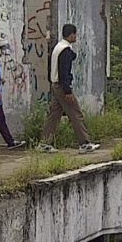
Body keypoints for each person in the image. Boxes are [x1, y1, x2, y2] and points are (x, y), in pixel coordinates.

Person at [36, 24, 99, 154]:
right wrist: (68, 90)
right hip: (62, 87)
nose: (76, 37)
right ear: (71, 35)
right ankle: (84, 143)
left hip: (55, 84)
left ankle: (44, 143)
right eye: (75, 34)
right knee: (76, 113)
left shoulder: (58, 48)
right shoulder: (65, 50)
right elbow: (64, 71)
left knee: (54, 115)